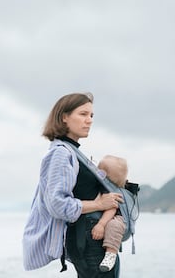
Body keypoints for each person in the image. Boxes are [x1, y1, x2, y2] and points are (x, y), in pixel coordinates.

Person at [23, 92, 123, 277]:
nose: (89, 120)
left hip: (92, 238)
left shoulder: (73, 152)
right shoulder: (61, 153)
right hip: (89, 239)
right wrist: (100, 204)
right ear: (64, 117)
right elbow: (57, 204)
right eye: (83, 114)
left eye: (91, 115)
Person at [92, 155, 128, 272]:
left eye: (101, 170)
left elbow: (112, 208)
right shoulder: (103, 185)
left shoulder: (109, 190)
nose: (97, 171)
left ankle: (110, 255)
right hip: (109, 214)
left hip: (117, 217)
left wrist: (101, 224)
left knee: (113, 226)